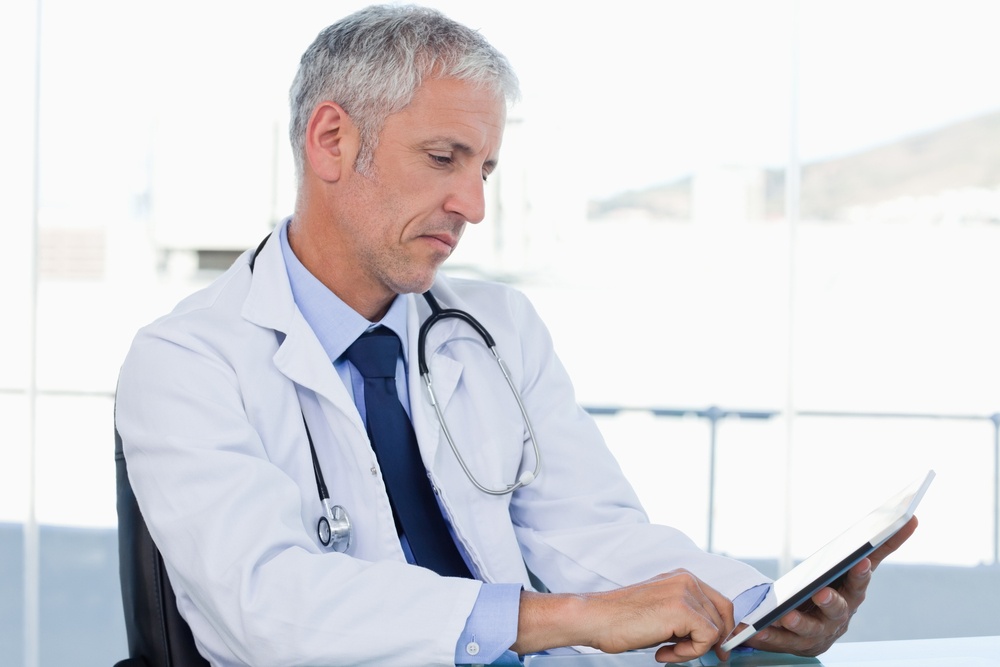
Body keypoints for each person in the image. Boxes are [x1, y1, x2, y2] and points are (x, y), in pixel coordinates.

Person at [115, 5, 917, 666]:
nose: (473, 204)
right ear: (332, 140)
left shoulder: (496, 331)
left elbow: (589, 531)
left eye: (486, 169)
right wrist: (567, 617)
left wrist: (751, 606)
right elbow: (269, 606)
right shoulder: (186, 362)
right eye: (443, 158)